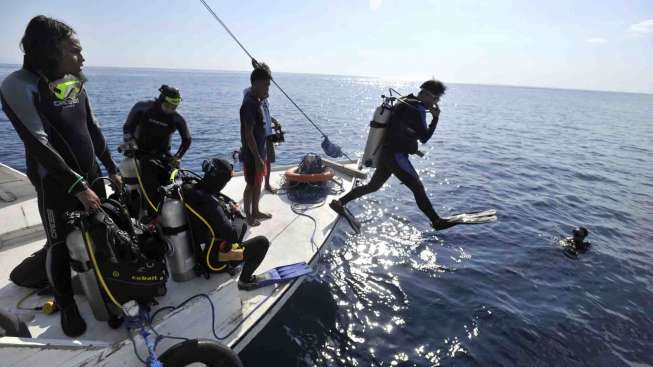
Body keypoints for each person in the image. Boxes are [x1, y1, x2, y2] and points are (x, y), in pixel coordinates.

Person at [1, 16, 121, 337]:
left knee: (101, 233)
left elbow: (91, 128)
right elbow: (36, 141)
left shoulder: (73, 79)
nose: (82, 58)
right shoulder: (19, 84)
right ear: (50, 50)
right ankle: (66, 304)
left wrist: (111, 167)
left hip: (91, 176)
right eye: (75, 51)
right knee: (58, 244)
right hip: (56, 183)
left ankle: (108, 292)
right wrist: (77, 186)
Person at [330, 79, 454, 230]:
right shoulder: (417, 109)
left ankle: (340, 202)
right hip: (396, 156)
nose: (436, 103)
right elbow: (424, 138)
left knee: (373, 186)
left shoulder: (405, 101)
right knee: (417, 187)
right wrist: (435, 118)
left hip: (386, 152)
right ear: (430, 96)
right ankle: (436, 221)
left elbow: (401, 129)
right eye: (436, 99)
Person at [181, 158, 270, 290]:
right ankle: (244, 281)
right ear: (220, 181)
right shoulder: (210, 204)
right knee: (262, 243)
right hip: (216, 260)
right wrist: (239, 215)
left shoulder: (191, 188)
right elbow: (232, 236)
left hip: (201, 251)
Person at [122, 85, 191, 216]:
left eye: (174, 107)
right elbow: (127, 127)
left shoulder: (177, 118)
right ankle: (149, 212)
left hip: (162, 154)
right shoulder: (142, 108)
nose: (170, 110)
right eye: (168, 106)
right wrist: (129, 140)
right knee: (148, 168)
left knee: (172, 178)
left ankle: (168, 211)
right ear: (160, 101)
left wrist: (177, 157)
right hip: (138, 151)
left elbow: (187, 140)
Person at [240, 66, 272, 226]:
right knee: (251, 185)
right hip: (252, 155)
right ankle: (249, 216)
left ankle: (256, 210)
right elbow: (248, 133)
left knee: (258, 182)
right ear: (257, 83)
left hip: (260, 152)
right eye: (266, 85)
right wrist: (258, 158)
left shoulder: (258, 101)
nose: (267, 88)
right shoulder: (249, 104)